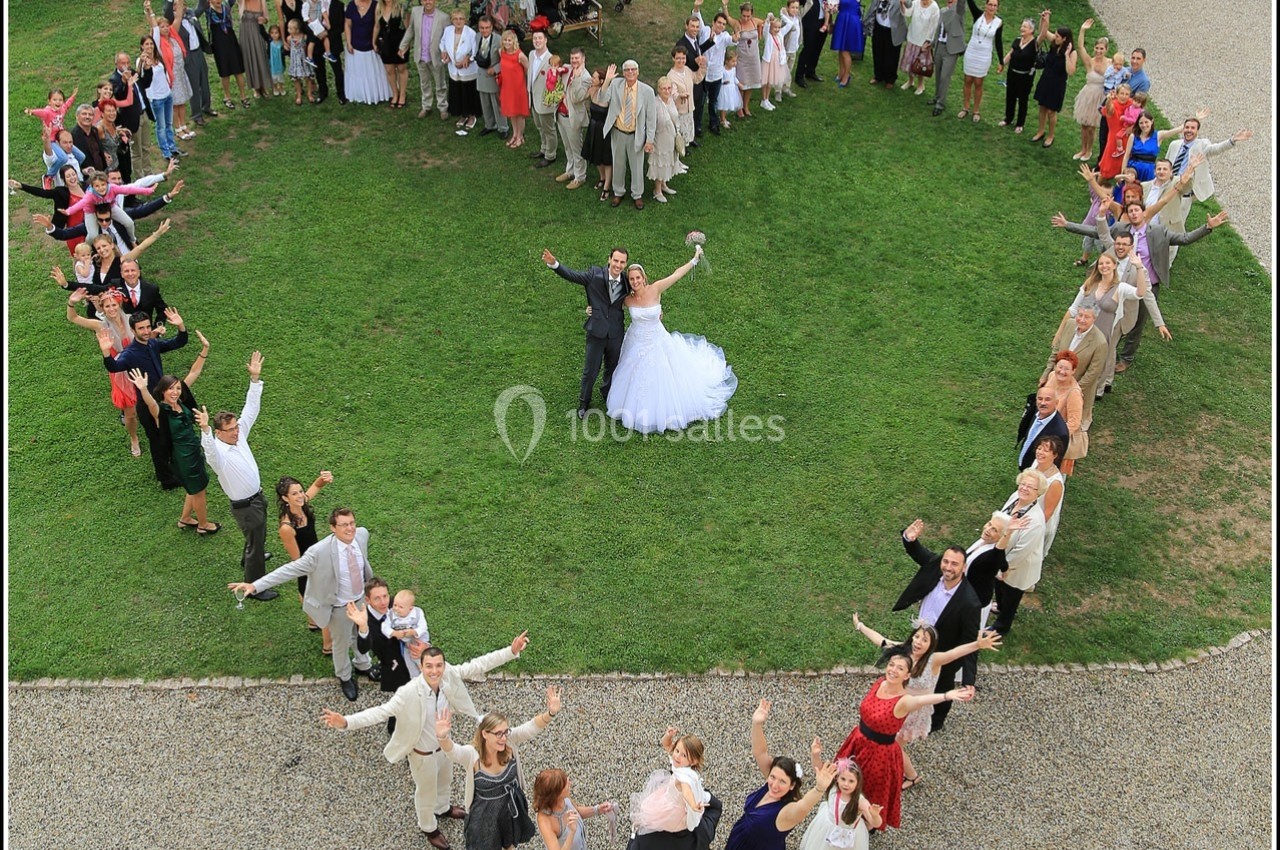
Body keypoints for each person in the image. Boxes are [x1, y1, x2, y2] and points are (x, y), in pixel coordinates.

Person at [320, 631, 531, 850]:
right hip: (422, 756)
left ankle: (443, 808)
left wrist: (511, 651)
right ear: (421, 667)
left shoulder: (447, 675)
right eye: (429, 666)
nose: (435, 671)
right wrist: (345, 722)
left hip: (444, 748)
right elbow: (380, 712)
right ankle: (429, 827)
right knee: (425, 793)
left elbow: (478, 664)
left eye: (439, 665)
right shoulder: (408, 693)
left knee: (445, 782)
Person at [229, 507, 378, 700]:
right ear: (333, 528)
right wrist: (255, 585)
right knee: (340, 644)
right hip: (339, 607)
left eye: (352, 523)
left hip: (359, 601)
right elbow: (289, 570)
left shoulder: (361, 535)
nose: (350, 529)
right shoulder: (318, 552)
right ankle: (345, 676)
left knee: (360, 634)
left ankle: (363, 665)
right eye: (343, 525)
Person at [850, 613, 1000, 788]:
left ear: (931, 645)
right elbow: (881, 640)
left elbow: (954, 653)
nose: (918, 642)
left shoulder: (934, 660)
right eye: (917, 636)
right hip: (898, 708)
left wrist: (977, 645)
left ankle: (911, 776)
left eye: (925, 640)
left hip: (915, 712)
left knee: (894, 745)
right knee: (889, 742)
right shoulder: (903, 652)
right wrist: (860, 625)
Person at [834, 654, 974, 829]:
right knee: (846, 778)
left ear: (907, 675)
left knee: (871, 789)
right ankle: (844, 807)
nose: (893, 670)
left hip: (879, 753)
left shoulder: (904, 700)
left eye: (900, 668)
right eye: (892, 665)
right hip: (858, 741)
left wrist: (946, 695)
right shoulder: (880, 683)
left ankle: (867, 825)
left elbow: (921, 700)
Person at [607, 249, 737, 434]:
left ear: (644, 278)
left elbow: (676, 274)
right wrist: (592, 308)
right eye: (632, 279)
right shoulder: (627, 299)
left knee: (665, 373)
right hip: (636, 341)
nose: (635, 282)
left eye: (638, 278)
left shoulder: (656, 289)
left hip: (658, 340)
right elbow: (608, 304)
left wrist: (694, 260)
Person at [436, 687, 562, 850]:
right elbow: (453, 751)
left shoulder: (509, 742)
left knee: (509, 843)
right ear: (484, 734)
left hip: (509, 807)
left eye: (505, 732)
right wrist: (442, 737)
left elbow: (530, 727)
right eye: (498, 734)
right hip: (485, 815)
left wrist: (550, 713)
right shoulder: (472, 755)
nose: (504, 738)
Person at [197, 350, 278, 600]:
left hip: (256, 498)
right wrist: (205, 430)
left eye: (235, 428)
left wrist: (254, 381)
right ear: (220, 433)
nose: (235, 432)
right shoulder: (218, 453)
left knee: (257, 536)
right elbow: (209, 451)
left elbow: (251, 409)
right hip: (246, 506)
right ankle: (254, 587)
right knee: (256, 540)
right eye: (230, 430)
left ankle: (250, 556)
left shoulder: (239, 435)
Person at [892, 518, 981, 732]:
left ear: (964, 567)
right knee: (909, 668)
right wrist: (910, 539)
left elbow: (971, 642)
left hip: (943, 649)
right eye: (946, 562)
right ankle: (904, 701)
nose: (948, 567)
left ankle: (937, 719)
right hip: (920, 637)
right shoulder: (936, 567)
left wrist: (969, 679)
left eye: (954, 564)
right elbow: (919, 553)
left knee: (942, 685)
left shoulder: (970, 602)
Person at [127, 334, 219, 534]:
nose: (175, 392)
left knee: (193, 488)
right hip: (182, 458)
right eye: (170, 389)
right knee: (199, 491)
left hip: (193, 452)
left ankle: (186, 518)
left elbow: (194, 372)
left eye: (177, 388)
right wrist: (143, 389)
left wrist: (205, 350)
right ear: (162, 392)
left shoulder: (181, 402)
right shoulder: (161, 411)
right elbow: (150, 403)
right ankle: (204, 525)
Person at [723, 698, 836, 850]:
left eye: (782, 782)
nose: (774, 785)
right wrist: (757, 724)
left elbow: (802, 808)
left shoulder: (786, 811)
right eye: (773, 777)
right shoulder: (770, 787)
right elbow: (760, 752)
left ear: (792, 785)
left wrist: (819, 789)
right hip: (739, 840)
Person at [100, 306, 189, 487]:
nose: (146, 331)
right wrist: (106, 352)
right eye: (141, 328)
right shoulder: (130, 354)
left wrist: (181, 327)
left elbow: (178, 343)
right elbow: (114, 367)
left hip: (163, 399)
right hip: (147, 403)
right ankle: (166, 479)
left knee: (168, 435)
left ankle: (173, 467)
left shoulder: (153, 344)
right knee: (157, 440)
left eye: (148, 327)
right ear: (133, 331)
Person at [541, 247, 630, 417]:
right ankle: (584, 402)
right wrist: (555, 264)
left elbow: (641, 292)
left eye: (622, 262)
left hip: (616, 332)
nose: (618, 265)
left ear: (625, 264)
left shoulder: (626, 281)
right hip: (596, 332)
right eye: (616, 260)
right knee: (591, 370)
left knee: (612, 367)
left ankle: (607, 394)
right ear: (609, 259)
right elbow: (573, 275)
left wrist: (656, 309)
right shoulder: (594, 274)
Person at [1156, 115, 1252, 261]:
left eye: (1192, 128)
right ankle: (1154, 252)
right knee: (1158, 221)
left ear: (1197, 131)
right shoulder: (1174, 144)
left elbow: (1215, 149)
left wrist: (1232, 140)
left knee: (1175, 229)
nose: (1189, 130)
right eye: (1187, 127)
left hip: (1184, 195)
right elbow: (1167, 165)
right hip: (1168, 190)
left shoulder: (1202, 145)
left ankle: (1167, 262)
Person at [63, 287, 143, 457]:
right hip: (120, 372)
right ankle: (134, 437)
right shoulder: (101, 326)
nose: (111, 309)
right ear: (102, 309)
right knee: (131, 412)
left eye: (113, 305)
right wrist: (71, 302)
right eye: (107, 307)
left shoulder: (131, 320)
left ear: (119, 303)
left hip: (140, 366)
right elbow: (73, 318)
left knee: (149, 402)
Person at [277, 470, 336, 646]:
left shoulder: (301, 506)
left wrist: (323, 479)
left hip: (316, 557)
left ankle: (312, 621)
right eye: (294, 494)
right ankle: (328, 645)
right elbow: (298, 560)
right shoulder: (286, 528)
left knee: (309, 593)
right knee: (320, 600)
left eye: (301, 491)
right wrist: (317, 569)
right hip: (307, 564)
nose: (301, 496)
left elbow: (316, 487)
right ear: (285, 498)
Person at [990, 469, 1048, 634]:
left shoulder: (1035, 521)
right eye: (1023, 484)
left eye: (1030, 487)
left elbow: (1022, 551)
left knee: (1011, 597)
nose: (1024, 488)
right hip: (1002, 555)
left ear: (1038, 493)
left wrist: (1004, 567)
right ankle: (999, 606)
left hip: (1017, 567)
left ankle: (1001, 627)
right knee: (999, 588)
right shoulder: (1015, 497)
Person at [630, 728, 709, 835]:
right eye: (677, 750)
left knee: (650, 813)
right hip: (669, 793)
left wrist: (693, 805)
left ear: (693, 761)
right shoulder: (679, 762)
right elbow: (666, 745)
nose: (677, 756)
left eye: (684, 755)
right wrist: (668, 735)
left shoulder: (684, 777)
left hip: (672, 808)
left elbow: (687, 791)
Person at [602, 60, 657, 209]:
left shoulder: (647, 92)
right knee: (618, 164)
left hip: (636, 134)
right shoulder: (615, 85)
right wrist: (607, 80)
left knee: (637, 166)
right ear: (623, 72)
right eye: (627, 70)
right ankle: (618, 192)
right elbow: (602, 99)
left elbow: (651, 119)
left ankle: (637, 194)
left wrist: (649, 140)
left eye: (633, 69)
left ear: (638, 72)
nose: (630, 72)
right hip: (618, 132)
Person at [795, 755, 881, 850]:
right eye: (843, 779)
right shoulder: (833, 789)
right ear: (837, 778)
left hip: (850, 836)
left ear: (858, 783)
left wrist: (875, 816)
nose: (846, 784)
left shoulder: (860, 801)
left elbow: (875, 823)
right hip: (827, 828)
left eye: (851, 781)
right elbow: (820, 770)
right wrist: (815, 755)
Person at [1041, 301, 1107, 421]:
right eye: (1080, 315)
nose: (1081, 320)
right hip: (1056, 382)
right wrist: (1045, 374)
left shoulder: (1100, 343)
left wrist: (1073, 391)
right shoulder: (1069, 325)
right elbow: (1056, 352)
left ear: (1094, 319)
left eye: (1087, 317)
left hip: (1077, 388)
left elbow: (1093, 373)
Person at [533, 769, 616, 850]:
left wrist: (598, 809)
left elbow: (578, 811)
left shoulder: (564, 799)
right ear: (556, 794)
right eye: (566, 784)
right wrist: (572, 832)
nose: (570, 783)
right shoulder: (544, 820)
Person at [400, 0, 452, 118]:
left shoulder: (443, 17)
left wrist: (447, 52)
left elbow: (448, 37)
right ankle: (426, 106)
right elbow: (411, 30)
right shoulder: (415, 12)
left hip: (436, 56)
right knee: (424, 83)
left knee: (440, 83)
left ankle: (442, 107)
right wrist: (403, 45)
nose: (428, 2)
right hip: (421, 55)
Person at [1029, 20, 1074, 148]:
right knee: (1042, 107)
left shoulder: (1072, 52)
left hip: (1057, 83)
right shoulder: (1054, 43)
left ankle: (1051, 135)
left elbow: (1070, 71)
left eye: (1058, 36)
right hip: (1046, 79)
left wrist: (1066, 56)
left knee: (1051, 111)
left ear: (1065, 39)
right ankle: (1041, 130)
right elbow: (1043, 32)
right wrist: (1044, 20)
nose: (1055, 37)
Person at [1040, 350, 1084, 474]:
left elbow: (1074, 423)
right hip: (1044, 429)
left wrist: (1055, 440)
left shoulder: (1074, 393)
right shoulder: (1052, 376)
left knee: (1053, 473)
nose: (1062, 372)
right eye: (1060, 367)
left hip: (1057, 438)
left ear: (1073, 371)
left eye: (1067, 369)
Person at [957, 0, 1001, 122]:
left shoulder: (999, 23)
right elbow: (970, 3)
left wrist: (1001, 61)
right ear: (986, 5)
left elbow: (998, 42)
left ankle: (976, 110)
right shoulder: (978, 14)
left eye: (995, 5)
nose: (992, 7)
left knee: (978, 82)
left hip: (984, 55)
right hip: (971, 52)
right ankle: (965, 107)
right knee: (968, 80)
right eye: (990, 4)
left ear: (997, 8)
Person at [696, 6, 737, 133]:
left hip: (717, 75)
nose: (721, 26)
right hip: (703, 74)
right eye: (719, 22)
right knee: (701, 102)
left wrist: (735, 38)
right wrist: (696, 7)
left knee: (713, 101)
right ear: (714, 22)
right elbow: (698, 18)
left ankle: (713, 124)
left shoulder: (724, 36)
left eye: (724, 24)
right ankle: (697, 126)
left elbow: (731, 40)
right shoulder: (705, 30)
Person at [205, 0, 253, 109]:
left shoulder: (226, 5)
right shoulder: (207, 9)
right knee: (224, 72)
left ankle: (243, 96)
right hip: (218, 44)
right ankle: (227, 97)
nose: (218, 1)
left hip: (231, 41)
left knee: (238, 70)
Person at [1070, 19, 1106, 160]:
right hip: (1088, 94)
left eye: (1101, 49)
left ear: (1106, 50)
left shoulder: (1109, 63)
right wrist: (1082, 30)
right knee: (1084, 125)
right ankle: (1082, 149)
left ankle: (1089, 150)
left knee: (1092, 127)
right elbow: (1080, 48)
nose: (1098, 51)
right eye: (1097, 48)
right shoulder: (1089, 61)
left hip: (1100, 97)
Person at [647, 77, 687, 203]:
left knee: (668, 162)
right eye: (664, 88)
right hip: (659, 139)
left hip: (671, 138)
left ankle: (664, 185)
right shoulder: (655, 103)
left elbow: (676, 117)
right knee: (660, 163)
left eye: (669, 88)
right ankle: (657, 190)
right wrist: (650, 141)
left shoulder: (671, 101)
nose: (667, 91)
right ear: (658, 89)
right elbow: (651, 123)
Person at [346, 0, 395, 103]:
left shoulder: (376, 5)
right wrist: (348, 42)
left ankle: (377, 94)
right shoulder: (351, 5)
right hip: (355, 46)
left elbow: (378, 25)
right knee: (358, 73)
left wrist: (374, 42)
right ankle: (360, 94)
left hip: (372, 46)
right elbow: (347, 25)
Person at [1027, 434, 1066, 555]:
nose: (1040, 452)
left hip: (1037, 521)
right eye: (1039, 448)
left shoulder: (1055, 483)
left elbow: (1048, 513)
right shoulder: (1036, 463)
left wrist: (1031, 530)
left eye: (1046, 450)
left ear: (1054, 455)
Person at [998, 16, 1038, 131]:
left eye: (1024, 26)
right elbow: (1010, 54)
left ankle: (1020, 124)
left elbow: (1043, 34)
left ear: (1031, 30)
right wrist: (1002, 64)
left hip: (1025, 77)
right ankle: (1008, 119)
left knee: (1022, 100)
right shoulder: (1017, 40)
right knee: (1010, 97)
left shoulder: (1035, 43)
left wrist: (1045, 21)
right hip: (1012, 74)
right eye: (1022, 26)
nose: (1022, 28)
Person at [1015, 384, 1067, 471]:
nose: (1043, 403)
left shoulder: (1060, 432)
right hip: (1025, 466)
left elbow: (1055, 462)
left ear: (1056, 403)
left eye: (1048, 399)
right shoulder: (1035, 412)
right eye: (1040, 399)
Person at [526, 30, 558, 165]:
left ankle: (551, 155)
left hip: (545, 101)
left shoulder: (552, 60)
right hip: (533, 97)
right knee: (539, 127)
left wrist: (550, 101)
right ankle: (544, 149)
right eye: (535, 39)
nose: (537, 41)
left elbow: (555, 83)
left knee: (549, 129)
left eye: (540, 38)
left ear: (546, 40)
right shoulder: (532, 54)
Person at [927, 0, 964, 116]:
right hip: (940, 46)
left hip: (951, 50)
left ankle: (940, 104)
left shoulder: (958, 11)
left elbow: (962, 4)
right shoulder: (942, 11)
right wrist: (932, 44)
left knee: (945, 76)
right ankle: (937, 97)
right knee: (938, 74)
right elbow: (939, 30)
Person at [473, 16, 509, 138]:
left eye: (487, 28)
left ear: (492, 28)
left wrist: (495, 69)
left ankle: (503, 127)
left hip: (494, 77)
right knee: (485, 103)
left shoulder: (499, 40)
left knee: (497, 103)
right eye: (482, 28)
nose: (484, 31)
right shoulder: (477, 37)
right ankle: (490, 125)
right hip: (481, 75)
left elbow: (506, 59)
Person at [581, 68, 613, 200]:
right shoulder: (591, 90)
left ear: (601, 81)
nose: (591, 79)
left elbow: (603, 93)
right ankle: (602, 177)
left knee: (606, 159)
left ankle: (607, 186)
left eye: (594, 77)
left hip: (604, 129)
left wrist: (608, 80)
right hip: (593, 126)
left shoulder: (606, 93)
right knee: (594, 155)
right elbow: (579, 97)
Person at [383, 589, 430, 676]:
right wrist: (393, 633)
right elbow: (384, 627)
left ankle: (425, 671)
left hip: (419, 640)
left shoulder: (417, 613)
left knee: (419, 656)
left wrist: (414, 631)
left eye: (400, 607)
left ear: (410, 608)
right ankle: (415, 679)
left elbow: (423, 627)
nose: (396, 609)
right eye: (395, 605)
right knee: (409, 661)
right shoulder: (391, 614)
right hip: (406, 643)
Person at [497, 30, 530, 148]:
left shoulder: (520, 55)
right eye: (505, 40)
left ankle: (520, 136)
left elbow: (527, 69)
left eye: (509, 40)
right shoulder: (501, 52)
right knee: (511, 112)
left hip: (518, 87)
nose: (507, 42)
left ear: (514, 41)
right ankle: (515, 134)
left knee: (519, 113)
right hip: (507, 87)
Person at [861, 0, 905, 89]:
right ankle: (878, 76)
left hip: (893, 30)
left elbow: (908, 7)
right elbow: (872, 9)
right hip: (879, 26)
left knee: (892, 55)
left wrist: (903, 3)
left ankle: (890, 79)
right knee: (877, 51)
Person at [374, 0, 409, 107]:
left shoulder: (402, 8)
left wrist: (406, 45)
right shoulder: (378, 8)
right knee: (389, 70)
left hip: (399, 44)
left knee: (401, 69)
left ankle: (402, 95)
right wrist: (373, 42)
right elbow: (377, 27)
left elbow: (408, 28)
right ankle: (395, 94)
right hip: (385, 44)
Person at [730, 3, 764, 115]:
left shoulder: (755, 21)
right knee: (742, 83)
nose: (745, 18)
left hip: (753, 57)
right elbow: (728, 18)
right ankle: (739, 107)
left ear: (752, 14)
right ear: (741, 13)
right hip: (742, 58)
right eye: (744, 15)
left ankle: (746, 106)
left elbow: (764, 22)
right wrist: (725, 7)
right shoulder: (737, 23)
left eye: (748, 16)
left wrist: (760, 33)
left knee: (751, 82)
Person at [899, 0, 938, 95]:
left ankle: (921, 85)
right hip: (912, 37)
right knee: (910, 61)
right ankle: (910, 81)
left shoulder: (934, 8)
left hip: (923, 42)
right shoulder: (916, 2)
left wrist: (928, 41)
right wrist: (902, 3)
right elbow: (907, 14)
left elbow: (934, 26)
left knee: (921, 64)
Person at [240, 0, 275, 98]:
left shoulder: (261, 1)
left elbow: (267, 18)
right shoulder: (242, 2)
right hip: (246, 33)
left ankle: (263, 87)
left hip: (257, 32)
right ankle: (255, 88)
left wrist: (264, 20)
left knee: (260, 56)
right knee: (250, 57)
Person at [793, 0, 829, 87]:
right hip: (810, 24)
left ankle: (810, 71)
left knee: (818, 48)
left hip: (823, 23)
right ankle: (799, 76)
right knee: (808, 48)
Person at [757, 14, 787, 106]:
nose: (777, 29)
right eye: (775, 27)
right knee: (765, 81)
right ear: (771, 27)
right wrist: (769, 18)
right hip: (768, 61)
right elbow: (765, 27)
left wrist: (783, 15)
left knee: (771, 81)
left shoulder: (780, 35)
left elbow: (789, 24)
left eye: (779, 27)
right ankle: (763, 100)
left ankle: (767, 99)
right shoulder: (768, 36)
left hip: (776, 61)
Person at [716, 50, 743, 128]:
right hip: (724, 90)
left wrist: (739, 84)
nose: (735, 63)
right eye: (733, 61)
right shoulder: (723, 70)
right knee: (723, 105)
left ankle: (723, 118)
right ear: (726, 61)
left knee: (728, 104)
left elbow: (734, 78)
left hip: (731, 89)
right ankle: (722, 119)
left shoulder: (733, 69)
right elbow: (720, 79)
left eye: (735, 61)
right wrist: (723, 82)